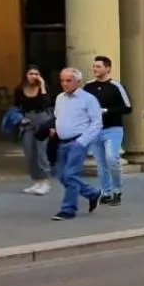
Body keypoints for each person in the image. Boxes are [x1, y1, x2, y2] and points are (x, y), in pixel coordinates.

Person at [51, 67, 103, 220]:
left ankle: (68, 209)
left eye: (69, 80)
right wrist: (55, 129)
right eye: (62, 80)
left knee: (70, 174)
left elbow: (96, 123)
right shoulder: (60, 98)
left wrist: (82, 141)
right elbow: (58, 116)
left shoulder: (88, 99)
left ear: (78, 82)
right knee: (62, 175)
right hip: (62, 141)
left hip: (78, 141)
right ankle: (92, 193)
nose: (64, 84)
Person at [84, 54, 132, 206]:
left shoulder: (116, 86)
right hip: (95, 130)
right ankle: (106, 192)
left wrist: (107, 111)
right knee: (100, 163)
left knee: (112, 159)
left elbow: (127, 107)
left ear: (108, 68)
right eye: (94, 66)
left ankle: (117, 191)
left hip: (113, 129)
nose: (95, 69)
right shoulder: (88, 86)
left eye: (98, 66)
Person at [16, 66, 54, 196]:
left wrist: (42, 86)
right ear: (26, 75)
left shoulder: (44, 88)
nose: (34, 76)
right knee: (29, 152)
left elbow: (47, 104)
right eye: (31, 73)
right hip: (27, 120)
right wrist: (20, 119)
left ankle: (45, 182)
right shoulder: (19, 89)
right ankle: (36, 181)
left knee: (41, 152)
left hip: (42, 119)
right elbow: (16, 107)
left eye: (36, 74)